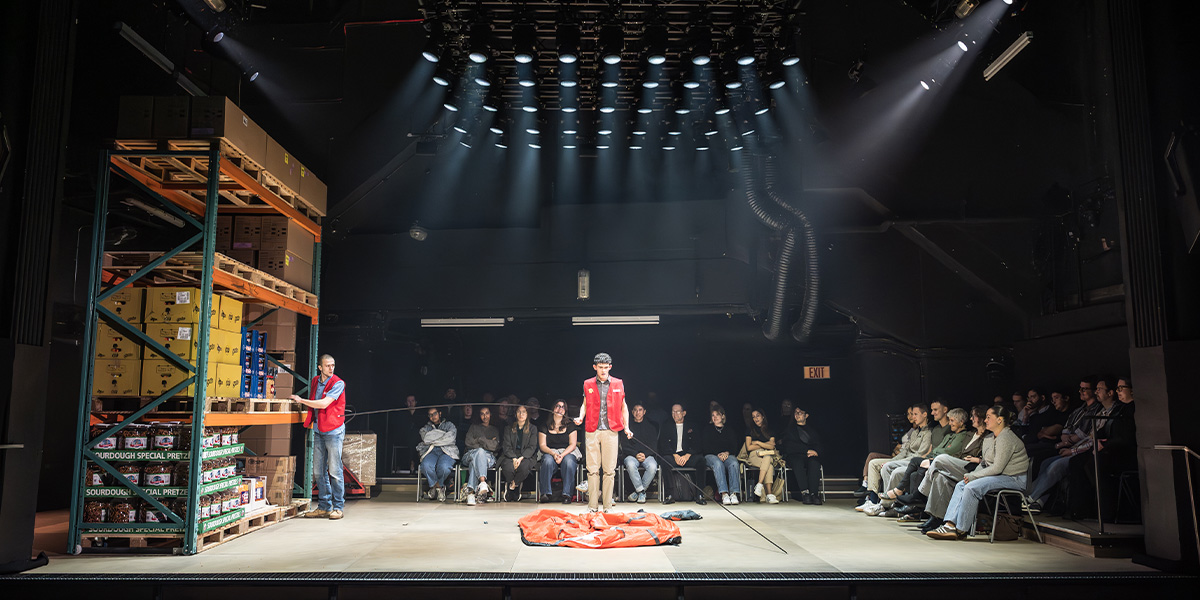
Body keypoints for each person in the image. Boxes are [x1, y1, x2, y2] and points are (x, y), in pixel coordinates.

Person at [927, 405, 1029, 540]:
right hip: (998, 476)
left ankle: (961, 529)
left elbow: (997, 468)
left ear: (999, 420)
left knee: (972, 487)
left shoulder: (1006, 438)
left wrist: (974, 476)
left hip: (1013, 478)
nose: (985, 420)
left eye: (988, 417)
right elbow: (984, 464)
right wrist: (971, 476)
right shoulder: (988, 438)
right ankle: (949, 525)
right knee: (961, 484)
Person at [1064, 376, 1137, 522]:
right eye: (1117, 388)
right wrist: (1098, 439)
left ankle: (1106, 512)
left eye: (1121, 388)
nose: (1118, 392)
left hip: (1123, 453)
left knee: (1093, 465)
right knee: (1077, 462)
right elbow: (1104, 429)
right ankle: (1080, 509)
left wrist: (1105, 444)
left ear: (1132, 391)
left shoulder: (1133, 410)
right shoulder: (1119, 409)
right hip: (1109, 449)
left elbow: (1126, 437)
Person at [573, 353, 632, 512]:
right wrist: (580, 417)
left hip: (611, 430)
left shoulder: (619, 383)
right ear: (595, 367)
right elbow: (584, 404)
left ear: (610, 367)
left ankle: (607, 506)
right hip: (592, 430)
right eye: (600, 367)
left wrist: (626, 427)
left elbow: (623, 407)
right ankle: (592, 506)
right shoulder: (588, 383)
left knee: (609, 470)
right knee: (592, 470)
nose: (603, 370)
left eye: (606, 367)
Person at [293, 354, 347, 520]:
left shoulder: (338, 383)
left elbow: (324, 403)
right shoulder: (316, 381)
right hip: (318, 429)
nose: (331, 368)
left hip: (334, 430)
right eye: (327, 366)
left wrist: (300, 400)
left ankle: (338, 507)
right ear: (320, 367)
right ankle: (324, 506)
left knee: (335, 471)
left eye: (333, 365)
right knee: (318, 471)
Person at [860, 403, 932, 513]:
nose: (913, 417)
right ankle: (874, 500)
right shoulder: (915, 432)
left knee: (888, 467)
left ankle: (886, 503)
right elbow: (905, 451)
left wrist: (894, 462)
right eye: (913, 414)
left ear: (925, 414)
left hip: (913, 462)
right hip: (904, 459)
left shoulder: (928, 433)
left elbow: (918, 455)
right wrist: (893, 461)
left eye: (916, 414)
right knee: (875, 463)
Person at [658, 403, 707, 505]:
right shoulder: (666, 426)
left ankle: (700, 495)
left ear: (684, 413)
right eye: (673, 412)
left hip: (688, 456)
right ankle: (669, 495)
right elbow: (663, 444)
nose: (675, 414)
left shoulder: (692, 426)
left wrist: (687, 455)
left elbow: (697, 444)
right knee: (665, 461)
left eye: (677, 411)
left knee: (701, 461)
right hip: (673, 455)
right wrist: (674, 455)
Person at [538, 400, 580, 504]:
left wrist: (562, 455)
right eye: (557, 406)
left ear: (565, 411)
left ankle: (567, 494)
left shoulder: (570, 425)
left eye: (562, 407)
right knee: (547, 461)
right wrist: (553, 454)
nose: (559, 409)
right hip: (550, 451)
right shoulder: (544, 426)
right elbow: (542, 445)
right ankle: (545, 493)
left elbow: (572, 444)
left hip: (567, 451)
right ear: (553, 409)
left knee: (569, 462)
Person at [781, 405, 824, 504]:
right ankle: (805, 493)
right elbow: (788, 446)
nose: (798, 415)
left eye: (800, 413)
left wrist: (815, 452)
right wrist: (806, 450)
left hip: (809, 456)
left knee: (814, 462)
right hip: (795, 455)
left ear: (806, 415)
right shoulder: (790, 430)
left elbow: (819, 444)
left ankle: (814, 493)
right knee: (797, 462)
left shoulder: (812, 430)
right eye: (796, 413)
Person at [701, 405, 743, 505]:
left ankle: (734, 493)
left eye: (717, 415)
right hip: (711, 456)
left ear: (723, 416)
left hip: (727, 455)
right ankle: (724, 493)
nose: (715, 417)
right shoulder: (708, 429)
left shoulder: (729, 430)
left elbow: (734, 446)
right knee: (717, 463)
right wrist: (718, 454)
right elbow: (705, 447)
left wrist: (727, 453)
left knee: (734, 462)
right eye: (713, 415)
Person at [620, 401, 659, 504]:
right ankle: (641, 491)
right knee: (630, 464)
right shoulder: (627, 427)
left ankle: (638, 492)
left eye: (640, 410)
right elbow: (624, 446)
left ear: (644, 412)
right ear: (632, 412)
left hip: (647, 455)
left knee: (652, 466)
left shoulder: (651, 427)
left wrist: (644, 454)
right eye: (635, 410)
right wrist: (636, 454)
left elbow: (653, 446)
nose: (638, 413)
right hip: (632, 455)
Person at [417, 407, 458, 502]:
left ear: (440, 413)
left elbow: (450, 438)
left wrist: (434, 438)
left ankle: (434, 487)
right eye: (430, 415)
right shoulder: (426, 428)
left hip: (447, 450)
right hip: (431, 450)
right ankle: (439, 487)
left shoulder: (449, 425)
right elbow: (426, 439)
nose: (433, 416)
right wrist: (443, 435)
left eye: (434, 413)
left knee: (444, 467)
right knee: (425, 465)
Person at [461, 406, 500, 506]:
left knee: (475, 460)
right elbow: (468, 442)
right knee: (479, 452)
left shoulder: (494, 429)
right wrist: (487, 442)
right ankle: (483, 482)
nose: (485, 416)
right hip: (470, 453)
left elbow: (495, 447)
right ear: (479, 415)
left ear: (490, 414)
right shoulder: (474, 427)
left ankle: (471, 494)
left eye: (487, 413)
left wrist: (479, 439)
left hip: (488, 457)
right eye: (482, 413)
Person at [501, 404, 538, 501]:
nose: (521, 414)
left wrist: (521, 458)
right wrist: (514, 458)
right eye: (519, 412)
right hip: (511, 455)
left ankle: (513, 486)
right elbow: (506, 446)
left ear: (527, 414)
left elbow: (532, 446)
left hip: (526, 455)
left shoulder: (532, 429)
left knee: (524, 466)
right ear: (515, 414)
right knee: (508, 467)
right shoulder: (508, 428)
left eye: (524, 412)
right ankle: (513, 484)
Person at [744, 408, 780, 504]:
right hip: (754, 455)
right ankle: (769, 494)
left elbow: (772, 446)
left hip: (767, 454)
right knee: (769, 465)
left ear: (763, 416)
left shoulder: (769, 430)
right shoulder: (750, 430)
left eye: (758, 416)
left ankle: (759, 485)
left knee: (768, 458)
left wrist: (758, 442)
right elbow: (749, 447)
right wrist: (765, 444)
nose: (756, 418)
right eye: (753, 417)